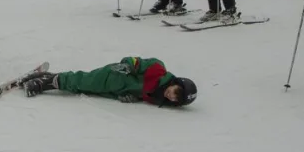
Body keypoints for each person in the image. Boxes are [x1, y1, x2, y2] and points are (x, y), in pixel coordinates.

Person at [23, 56, 197, 108]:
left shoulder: (158, 99)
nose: (172, 96)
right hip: (115, 76)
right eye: (176, 92)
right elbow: (136, 62)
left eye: (176, 99)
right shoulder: (159, 70)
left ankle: (53, 76)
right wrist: (127, 66)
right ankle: (44, 83)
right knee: (84, 81)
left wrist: (132, 97)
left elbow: (141, 92)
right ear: (175, 82)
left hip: (115, 91)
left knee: (83, 84)